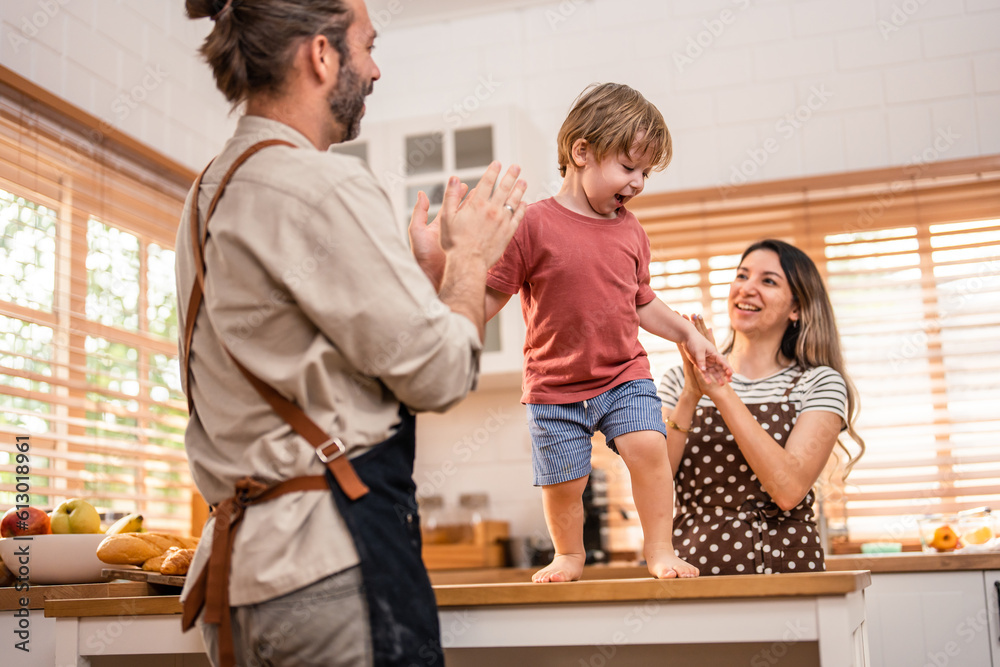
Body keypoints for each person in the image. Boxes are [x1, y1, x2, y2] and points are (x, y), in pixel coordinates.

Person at [176, 1, 526, 665]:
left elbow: (310, 362)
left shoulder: (209, 192)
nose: (375, 68)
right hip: (329, 562)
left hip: (244, 577)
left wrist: (422, 289)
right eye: (366, 46)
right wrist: (472, 259)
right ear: (320, 54)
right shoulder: (320, 182)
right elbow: (440, 374)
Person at [485, 83, 732, 584]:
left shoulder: (630, 231)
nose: (638, 182)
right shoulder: (532, 225)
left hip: (624, 374)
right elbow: (492, 295)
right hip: (554, 384)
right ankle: (569, 555)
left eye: (645, 172)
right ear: (582, 152)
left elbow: (641, 300)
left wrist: (691, 335)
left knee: (648, 448)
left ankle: (660, 549)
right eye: (629, 167)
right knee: (565, 482)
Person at [658, 239, 865, 575]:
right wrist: (690, 397)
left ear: (796, 308)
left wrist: (722, 393)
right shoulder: (679, 380)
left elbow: (788, 490)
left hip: (786, 566)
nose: (747, 289)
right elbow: (655, 480)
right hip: (689, 567)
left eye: (768, 281)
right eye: (742, 276)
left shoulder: (819, 383)